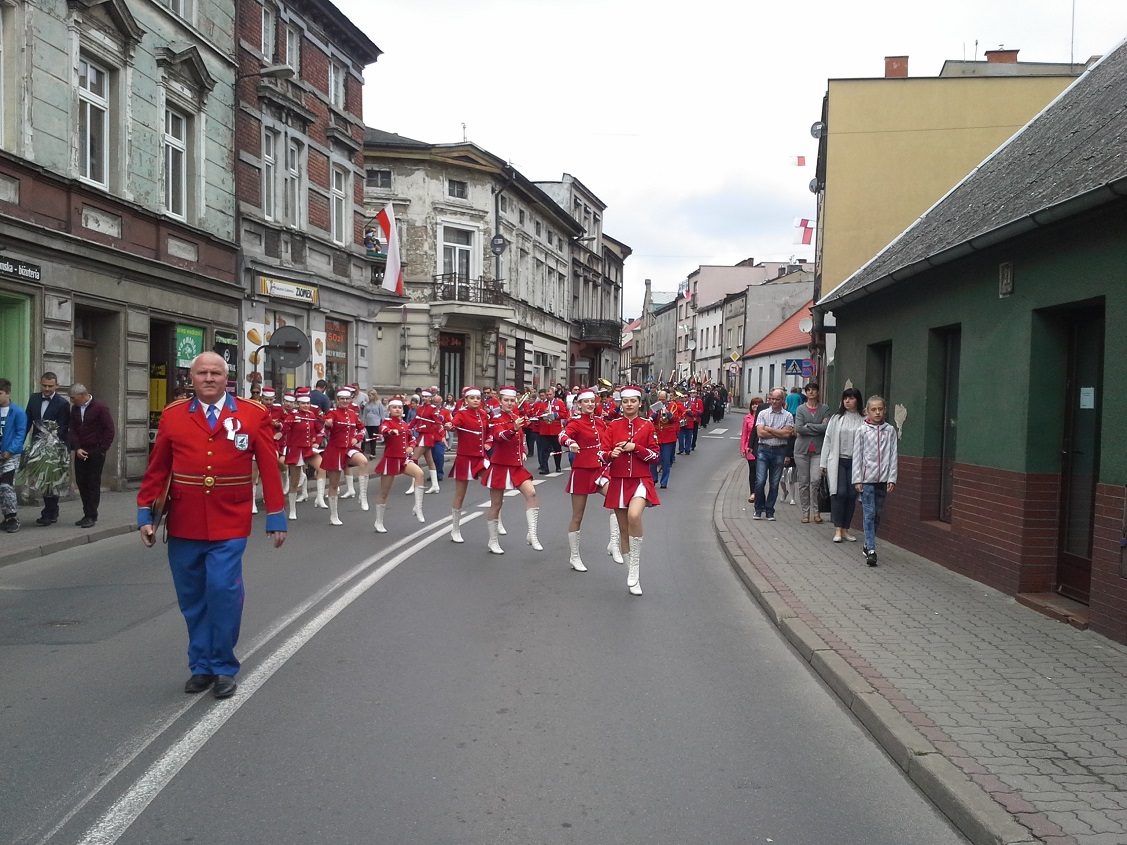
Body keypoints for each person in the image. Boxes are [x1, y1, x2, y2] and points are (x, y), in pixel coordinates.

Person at [137, 352, 286, 700]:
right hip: (184, 519)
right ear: (192, 378)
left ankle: (223, 666)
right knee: (192, 598)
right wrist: (146, 514)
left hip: (230, 518)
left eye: (216, 373)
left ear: (226, 378)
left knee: (223, 590)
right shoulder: (173, 415)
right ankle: (201, 666)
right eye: (202, 373)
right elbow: (158, 468)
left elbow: (268, 466)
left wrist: (276, 515)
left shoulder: (252, 414)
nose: (209, 378)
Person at [600, 385, 660, 596]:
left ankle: (635, 569)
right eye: (625, 401)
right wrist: (611, 454)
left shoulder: (647, 426)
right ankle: (632, 575)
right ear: (621, 404)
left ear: (639, 403)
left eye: (633, 401)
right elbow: (601, 454)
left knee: (634, 515)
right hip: (618, 482)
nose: (629, 405)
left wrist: (636, 449)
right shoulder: (613, 426)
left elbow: (656, 456)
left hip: (640, 480)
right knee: (624, 530)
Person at [481, 386, 541, 554]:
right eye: (506, 400)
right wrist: (513, 429)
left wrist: (522, 451)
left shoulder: (516, 417)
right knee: (496, 504)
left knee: (531, 493)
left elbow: (520, 439)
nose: (509, 403)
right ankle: (493, 541)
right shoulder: (496, 419)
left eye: (512, 400)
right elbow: (499, 437)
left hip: (515, 465)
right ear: (500, 401)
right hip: (500, 465)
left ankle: (532, 534)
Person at [559, 387, 609, 571]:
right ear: (579, 404)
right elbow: (563, 435)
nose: (589, 404)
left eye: (592, 401)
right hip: (581, 472)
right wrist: (570, 442)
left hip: (599, 470)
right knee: (578, 516)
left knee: (616, 501)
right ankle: (574, 556)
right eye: (586, 402)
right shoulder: (575, 422)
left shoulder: (600, 422)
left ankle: (613, 543)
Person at [853, 395, 898, 566]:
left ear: (885, 410)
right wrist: (857, 479)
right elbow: (857, 455)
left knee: (877, 513)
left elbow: (893, 455)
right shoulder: (862, 431)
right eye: (873, 409)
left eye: (880, 409)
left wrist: (892, 478)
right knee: (869, 513)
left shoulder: (890, 430)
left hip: (883, 479)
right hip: (867, 479)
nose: (877, 412)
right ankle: (871, 549)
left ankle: (867, 543)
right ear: (867, 411)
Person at [371, 397, 426, 532]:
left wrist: (411, 446)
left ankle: (418, 507)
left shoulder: (404, 425)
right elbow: (383, 429)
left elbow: (412, 438)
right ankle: (378, 521)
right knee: (384, 492)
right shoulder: (387, 422)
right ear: (389, 410)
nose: (397, 410)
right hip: (390, 460)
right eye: (394, 407)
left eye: (400, 407)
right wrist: (390, 432)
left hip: (403, 459)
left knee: (419, 474)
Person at [24, 372, 71, 526]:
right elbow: (27, 422)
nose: (47, 388)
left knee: (51, 480)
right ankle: (50, 511)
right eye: (44, 385)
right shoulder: (34, 398)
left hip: (55, 447)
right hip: (37, 445)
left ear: (56, 385)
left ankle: (50, 512)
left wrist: (52, 438)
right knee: (42, 480)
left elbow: (64, 427)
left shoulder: (63, 403)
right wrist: (21, 442)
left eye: (50, 386)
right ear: (40, 383)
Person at [67, 383, 115, 528]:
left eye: (73, 398)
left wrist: (102, 449)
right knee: (81, 481)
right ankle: (86, 512)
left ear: (83, 395)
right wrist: (77, 448)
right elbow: (73, 429)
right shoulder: (75, 409)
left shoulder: (100, 407)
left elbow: (109, 429)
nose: (72, 401)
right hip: (81, 450)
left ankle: (91, 515)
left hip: (96, 450)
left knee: (93, 482)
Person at [446, 386, 490, 543]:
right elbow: (454, 424)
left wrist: (489, 443)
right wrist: (450, 426)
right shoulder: (461, 414)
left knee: (495, 486)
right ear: (465, 400)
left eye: (478, 398)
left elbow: (489, 432)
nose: (476, 400)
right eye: (472, 398)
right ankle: (455, 529)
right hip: (465, 458)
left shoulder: (483, 414)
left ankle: (496, 520)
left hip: (480, 458)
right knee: (460, 495)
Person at [821, 387, 864, 543]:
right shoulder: (836, 418)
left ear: (857, 400)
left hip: (856, 462)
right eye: (845, 398)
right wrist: (823, 462)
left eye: (851, 398)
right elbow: (828, 439)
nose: (847, 401)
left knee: (852, 495)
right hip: (838, 460)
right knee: (840, 493)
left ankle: (846, 529)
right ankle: (838, 529)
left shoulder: (864, 419)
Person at [320, 388, 368, 525]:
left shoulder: (352, 414)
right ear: (337, 400)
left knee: (363, 461)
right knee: (334, 484)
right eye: (342, 399)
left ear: (351, 400)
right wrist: (328, 424)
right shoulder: (333, 413)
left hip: (349, 448)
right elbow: (325, 430)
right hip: (335, 450)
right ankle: (334, 515)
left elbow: (362, 428)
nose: (345, 401)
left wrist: (357, 438)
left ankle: (362, 496)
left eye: (347, 399)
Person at [280, 390, 324, 518]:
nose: (306, 406)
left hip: (309, 449)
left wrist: (317, 442)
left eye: (308, 403)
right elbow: (284, 429)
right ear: (298, 404)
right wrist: (289, 421)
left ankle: (320, 497)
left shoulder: (311, 415)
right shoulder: (293, 416)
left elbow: (321, 430)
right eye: (303, 403)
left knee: (322, 467)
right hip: (296, 450)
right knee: (294, 481)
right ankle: (292, 509)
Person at [752, 388, 795, 521]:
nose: (774, 401)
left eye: (777, 399)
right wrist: (778, 432)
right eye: (772, 399)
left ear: (782, 400)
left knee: (774, 483)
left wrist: (768, 428)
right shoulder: (763, 413)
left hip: (779, 451)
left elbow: (787, 434)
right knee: (760, 481)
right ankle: (758, 508)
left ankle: (770, 510)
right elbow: (760, 433)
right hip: (763, 449)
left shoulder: (788, 416)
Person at [794, 382, 831, 524]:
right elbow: (799, 428)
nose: (811, 392)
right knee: (804, 482)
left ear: (818, 392)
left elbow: (827, 428)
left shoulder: (824, 408)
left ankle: (816, 512)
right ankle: (805, 512)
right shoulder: (800, 409)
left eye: (813, 390)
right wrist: (818, 427)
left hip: (818, 450)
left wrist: (808, 426)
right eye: (808, 390)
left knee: (815, 481)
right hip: (801, 451)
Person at [0, 378, 28, 533]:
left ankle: (12, 517)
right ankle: (6, 517)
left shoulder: (17, 412)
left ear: (8, 393)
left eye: (0, 393)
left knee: (6, 485)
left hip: (10, 456)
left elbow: (20, 434)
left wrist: (10, 451)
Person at [648, 390, 680, 489]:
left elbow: (675, 419)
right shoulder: (655, 406)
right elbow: (650, 419)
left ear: (667, 399)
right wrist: (654, 414)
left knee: (666, 461)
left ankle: (664, 481)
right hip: (657, 436)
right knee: (653, 459)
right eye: (660, 399)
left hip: (668, 437)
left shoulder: (673, 406)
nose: (661, 401)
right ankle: (653, 478)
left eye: (663, 399)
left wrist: (668, 413)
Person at [740, 397, 763, 504]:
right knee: (753, 470)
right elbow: (744, 434)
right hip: (750, 448)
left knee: (761, 472)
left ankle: (759, 492)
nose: (755, 406)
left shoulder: (764, 417)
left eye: (758, 404)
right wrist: (743, 449)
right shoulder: (747, 418)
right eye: (754, 404)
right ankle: (753, 492)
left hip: (762, 447)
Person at [361, 389, 386, 458]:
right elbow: (364, 413)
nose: (369, 397)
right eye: (368, 395)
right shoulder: (367, 404)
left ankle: (373, 452)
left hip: (376, 422)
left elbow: (382, 414)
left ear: (374, 395)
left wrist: (383, 423)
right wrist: (363, 422)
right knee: (369, 437)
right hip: (368, 422)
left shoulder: (379, 403)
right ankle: (368, 450)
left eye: (370, 395)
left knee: (373, 437)